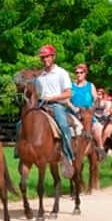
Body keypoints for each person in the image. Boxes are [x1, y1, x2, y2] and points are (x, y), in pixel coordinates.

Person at [34, 44, 75, 178]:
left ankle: (68, 157)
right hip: (41, 105)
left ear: (53, 57)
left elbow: (68, 93)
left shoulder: (61, 73)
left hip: (57, 105)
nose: (45, 59)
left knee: (63, 125)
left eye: (47, 56)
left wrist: (52, 97)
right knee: (21, 124)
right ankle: (22, 153)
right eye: (43, 57)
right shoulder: (40, 76)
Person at [69, 63, 103, 160]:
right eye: (77, 72)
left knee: (98, 128)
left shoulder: (90, 85)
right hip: (74, 113)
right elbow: (66, 100)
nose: (79, 74)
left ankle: (100, 148)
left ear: (85, 73)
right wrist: (73, 108)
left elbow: (95, 99)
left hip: (88, 113)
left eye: (81, 72)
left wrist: (92, 108)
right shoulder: (71, 86)